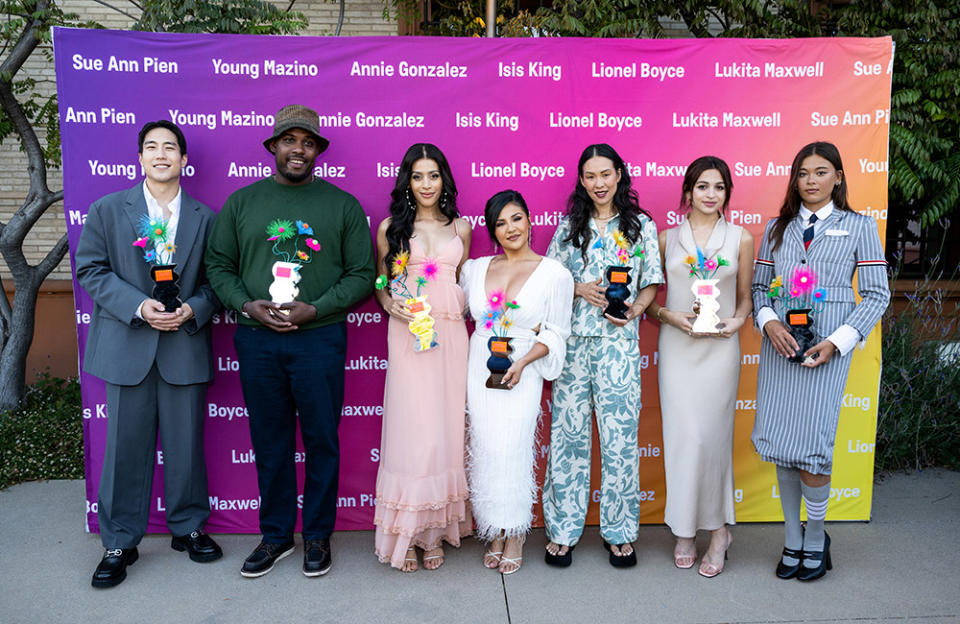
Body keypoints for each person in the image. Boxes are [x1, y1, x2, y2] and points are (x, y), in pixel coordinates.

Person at [205, 105, 375, 578]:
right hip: (258, 341)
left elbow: (363, 273)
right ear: (273, 147)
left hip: (318, 339)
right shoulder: (242, 203)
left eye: (307, 142)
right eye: (289, 140)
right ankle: (277, 535)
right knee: (270, 441)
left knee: (322, 440)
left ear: (317, 150)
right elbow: (218, 265)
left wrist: (317, 308)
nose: (298, 149)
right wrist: (245, 304)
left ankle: (318, 536)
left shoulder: (341, 205)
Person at [76, 120, 222, 588]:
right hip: (127, 347)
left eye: (171, 147)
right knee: (123, 449)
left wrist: (192, 311)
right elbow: (91, 270)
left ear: (184, 159)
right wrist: (138, 306)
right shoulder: (107, 209)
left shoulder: (206, 216)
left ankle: (189, 527)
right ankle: (119, 540)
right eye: (152, 147)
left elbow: (216, 281)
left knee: (186, 445)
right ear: (140, 157)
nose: (161, 154)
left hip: (183, 345)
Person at [752, 141, 889, 581]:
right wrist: (770, 322)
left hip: (826, 352)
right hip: (780, 350)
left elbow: (876, 294)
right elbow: (758, 289)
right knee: (784, 447)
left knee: (813, 450)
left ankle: (815, 538)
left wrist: (837, 342)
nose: (811, 181)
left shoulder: (859, 226)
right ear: (795, 179)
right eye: (804, 173)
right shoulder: (776, 228)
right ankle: (791, 539)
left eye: (821, 172)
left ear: (838, 177)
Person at [542, 144, 663, 568]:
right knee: (569, 439)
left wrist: (636, 309)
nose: (599, 183)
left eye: (605, 174)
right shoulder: (567, 228)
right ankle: (562, 531)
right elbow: (549, 282)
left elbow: (651, 282)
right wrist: (578, 288)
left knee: (619, 441)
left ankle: (620, 532)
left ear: (619, 176)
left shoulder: (641, 226)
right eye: (590, 176)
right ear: (581, 179)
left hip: (618, 347)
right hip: (574, 346)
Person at [646, 156, 754, 577]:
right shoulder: (665, 238)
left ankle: (719, 531)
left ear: (727, 193)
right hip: (677, 349)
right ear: (687, 192)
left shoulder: (740, 238)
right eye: (703, 186)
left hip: (719, 350)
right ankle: (685, 531)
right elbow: (649, 301)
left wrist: (738, 320)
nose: (711, 195)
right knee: (682, 439)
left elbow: (744, 297)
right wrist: (670, 317)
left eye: (719, 187)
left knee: (712, 441)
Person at [460, 190, 573, 575]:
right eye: (501, 223)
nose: (510, 228)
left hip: (522, 370)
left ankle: (516, 533)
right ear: (493, 230)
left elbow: (557, 333)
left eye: (516, 218)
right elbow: (449, 307)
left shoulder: (554, 274)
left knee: (514, 447)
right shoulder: (474, 269)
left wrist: (524, 361)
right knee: (487, 445)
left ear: (530, 220)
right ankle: (493, 527)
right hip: (480, 368)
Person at [372, 144, 472, 572]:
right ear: (407, 182)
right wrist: (386, 300)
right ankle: (406, 533)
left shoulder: (461, 228)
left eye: (433, 175)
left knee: (445, 430)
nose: (426, 184)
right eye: (418, 176)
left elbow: (462, 280)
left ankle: (434, 532)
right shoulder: (391, 227)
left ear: (444, 179)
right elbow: (381, 278)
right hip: (409, 333)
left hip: (450, 335)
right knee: (412, 431)